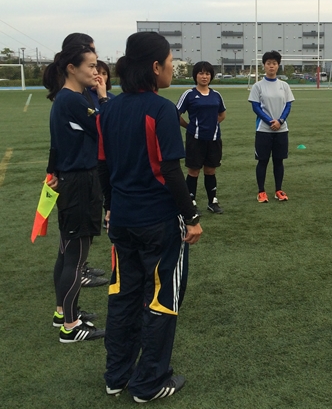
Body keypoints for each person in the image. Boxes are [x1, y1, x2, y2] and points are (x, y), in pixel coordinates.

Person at [98, 32, 202, 402]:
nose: (174, 68)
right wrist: (191, 216)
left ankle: (117, 376)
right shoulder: (160, 109)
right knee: (161, 298)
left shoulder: (108, 109)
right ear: (155, 67)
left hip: (123, 221)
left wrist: (111, 206)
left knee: (123, 296)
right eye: (171, 62)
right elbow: (171, 172)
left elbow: (103, 167)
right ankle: (150, 382)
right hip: (158, 221)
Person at [43, 39, 108, 343]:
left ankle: (63, 312)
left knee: (67, 252)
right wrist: (104, 97)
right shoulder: (74, 100)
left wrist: (53, 173)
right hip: (80, 182)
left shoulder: (68, 98)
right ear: (72, 68)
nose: (97, 71)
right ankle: (71, 326)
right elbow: (106, 129)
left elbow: (57, 146)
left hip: (71, 179)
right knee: (76, 257)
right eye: (92, 65)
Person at [176, 61, 227, 214]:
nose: (204, 76)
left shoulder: (216, 95)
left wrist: (212, 124)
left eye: (207, 73)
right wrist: (189, 127)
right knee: (193, 171)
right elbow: (176, 114)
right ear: (195, 75)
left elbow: (222, 114)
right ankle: (191, 202)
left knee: (211, 171)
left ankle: (213, 202)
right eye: (201, 73)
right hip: (195, 139)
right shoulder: (189, 94)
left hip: (214, 139)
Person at [248, 50, 294, 203]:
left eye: (274, 63)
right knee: (262, 161)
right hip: (263, 129)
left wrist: (280, 121)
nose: (271, 66)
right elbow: (256, 107)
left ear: (278, 65)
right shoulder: (258, 86)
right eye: (268, 63)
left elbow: (288, 105)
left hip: (281, 129)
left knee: (278, 161)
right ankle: (261, 191)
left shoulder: (284, 85)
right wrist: (269, 121)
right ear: (264, 66)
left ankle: (278, 190)